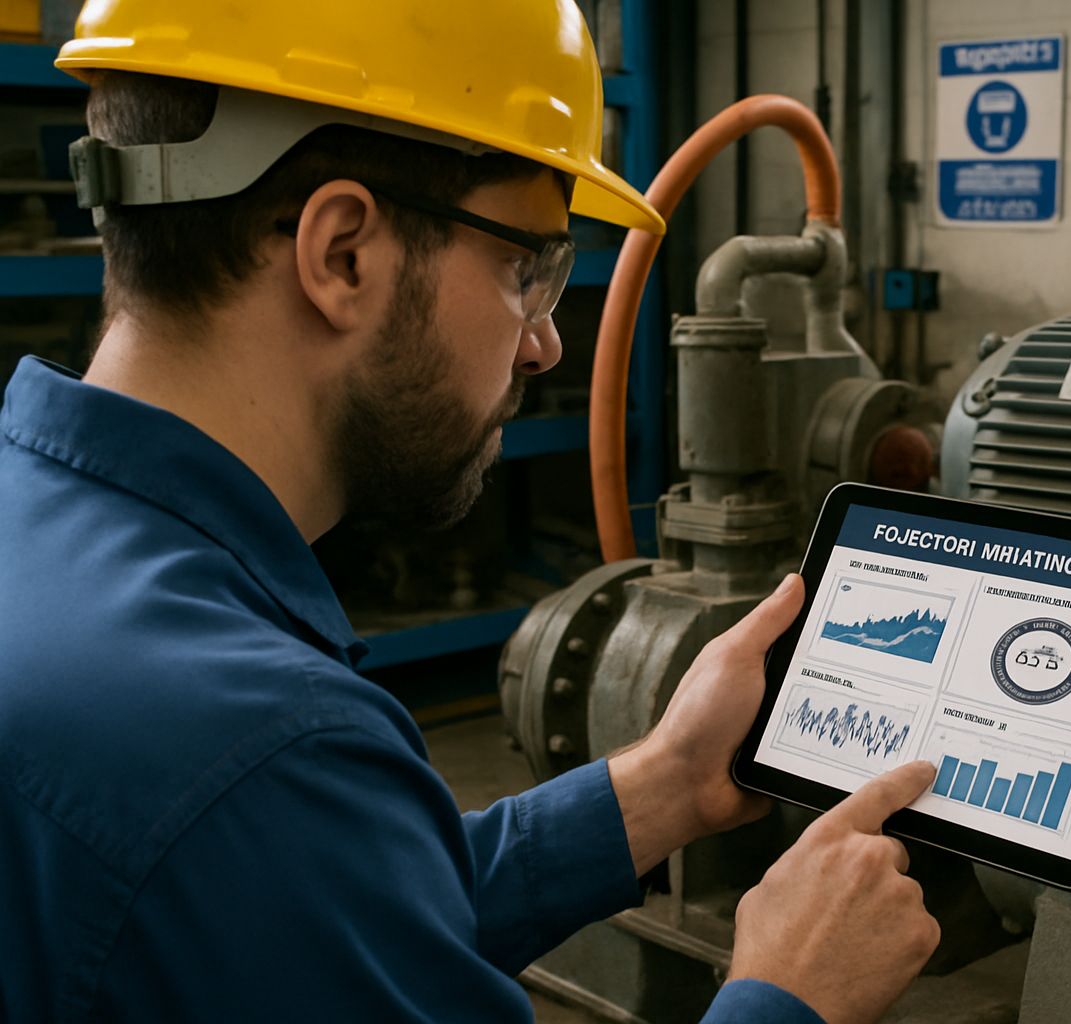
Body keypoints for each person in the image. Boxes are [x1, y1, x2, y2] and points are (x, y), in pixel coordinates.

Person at [0, 2, 941, 1022]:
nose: (543, 345)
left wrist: (665, 782)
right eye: (524, 268)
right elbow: (271, 840)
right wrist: (789, 992)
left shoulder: (44, 532)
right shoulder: (255, 748)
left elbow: (327, 910)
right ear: (344, 252)